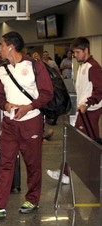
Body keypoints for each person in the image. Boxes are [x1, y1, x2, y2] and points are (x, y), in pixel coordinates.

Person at [0, 31, 53, 218]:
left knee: (33, 163)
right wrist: (6, 105)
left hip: (31, 122)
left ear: (11, 47)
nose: (0, 49)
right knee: (5, 162)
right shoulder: (1, 70)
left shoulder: (35, 66)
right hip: (9, 123)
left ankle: (32, 199)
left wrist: (29, 106)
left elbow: (47, 93)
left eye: (2, 45)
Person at [47, 37, 102, 184]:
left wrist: (87, 104)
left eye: (78, 52)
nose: (75, 55)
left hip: (89, 111)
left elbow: (99, 90)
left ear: (86, 50)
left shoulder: (93, 67)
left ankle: (66, 174)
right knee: (91, 145)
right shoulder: (83, 66)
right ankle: (90, 174)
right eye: (74, 53)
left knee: (77, 143)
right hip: (84, 111)